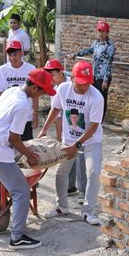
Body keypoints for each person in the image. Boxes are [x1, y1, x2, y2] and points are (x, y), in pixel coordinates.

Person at [0, 68, 56, 250]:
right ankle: (17, 237)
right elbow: (13, 138)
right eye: (42, 92)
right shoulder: (23, 106)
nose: (41, 96)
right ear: (34, 88)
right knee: (21, 191)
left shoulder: (11, 91)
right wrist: (30, 154)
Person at [38, 61, 104, 225]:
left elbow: (94, 126)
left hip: (91, 141)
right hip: (69, 140)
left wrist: (77, 145)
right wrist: (44, 129)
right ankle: (62, 206)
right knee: (61, 173)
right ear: (72, 77)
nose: (84, 87)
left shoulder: (96, 97)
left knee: (93, 173)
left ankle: (88, 211)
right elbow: (56, 109)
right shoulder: (63, 89)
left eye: (88, 83)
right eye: (81, 83)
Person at [43, 59, 85, 199]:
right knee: (68, 155)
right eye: (47, 75)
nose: (50, 78)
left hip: (82, 129)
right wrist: (59, 137)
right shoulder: (55, 89)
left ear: (61, 72)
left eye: (52, 74)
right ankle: (70, 187)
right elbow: (57, 115)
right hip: (69, 130)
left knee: (81, 161)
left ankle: (83, 191)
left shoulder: (73, 84)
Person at [68, 21, 115, 121]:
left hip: (102, 77)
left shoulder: (110, 46)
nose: (101, 33)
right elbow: (88, 51)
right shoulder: (96, 43)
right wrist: (75, 54)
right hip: (93, 75)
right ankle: (91, 117)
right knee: (91, 96)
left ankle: (99, 121)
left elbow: (108, 63)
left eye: (103, 31)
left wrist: (105, 80)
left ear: (107, 32)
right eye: (99, 31)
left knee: (101, 98)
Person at [0, 40, 36, 141]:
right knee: (9, 144)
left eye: (15, 54)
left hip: (26, 116)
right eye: (10, 55)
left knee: (27, 144)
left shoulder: (30, 69)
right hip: (8, 115)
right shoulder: (2, 70)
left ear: (21, 53)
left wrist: (35, 114)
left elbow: (35, 94)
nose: (13, 58)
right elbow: (0, 93)